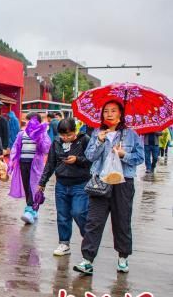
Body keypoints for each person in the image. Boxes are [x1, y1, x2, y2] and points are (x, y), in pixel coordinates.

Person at [74, 100, 144, 276]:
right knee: (93, 221)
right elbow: (89, 156)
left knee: (122, 221)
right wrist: (98, 141)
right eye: (106, 111)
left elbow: (140, 158)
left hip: (123, 182)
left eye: (113, 111)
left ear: (121, 114)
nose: (109, 114)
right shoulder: (97, 132)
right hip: (100, 180)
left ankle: (123, 257)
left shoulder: (131, 135)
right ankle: (87, 260)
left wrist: (123, 154)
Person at [37, 118, 91, 256]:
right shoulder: (56, 142)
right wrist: (42, 182)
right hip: (61, 183)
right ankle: (64, 243)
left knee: (79, 212)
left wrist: (77, 160)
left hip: (80, 183)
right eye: (63, 135)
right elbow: (50, 163)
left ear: (75, 131)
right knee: (62, 215)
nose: (66, 138)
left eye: (69, 135)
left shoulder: (84, 140)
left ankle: (90, 239)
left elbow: (92, 160)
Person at [8, 113, 51, 224]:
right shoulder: (21, 134)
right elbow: (16, 147)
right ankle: (33, 207)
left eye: (30, 121)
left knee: (35, 186)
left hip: (36, 165)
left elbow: (46, 148)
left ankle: (29, 210)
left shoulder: (42, 133)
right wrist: (12, 162)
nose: (28, 123)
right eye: (27, 121)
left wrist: (38, 138)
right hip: (23, 163)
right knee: (27, 186)